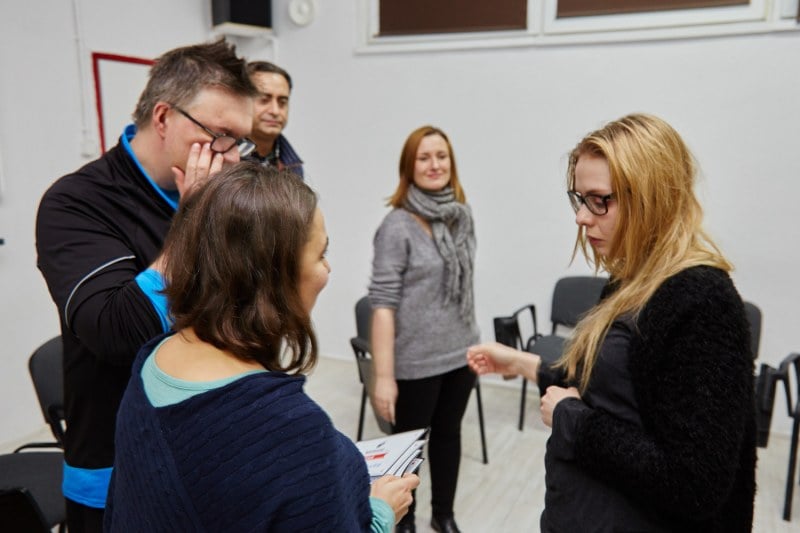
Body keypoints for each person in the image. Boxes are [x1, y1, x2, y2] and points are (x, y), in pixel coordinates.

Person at [467, 113, 756, 532]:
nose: (582, 217)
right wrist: (522, 364)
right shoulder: (632, 278)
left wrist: (572, 420)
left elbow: (695, 484)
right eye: (579, 199)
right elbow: (611, 388)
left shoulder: (702, 301)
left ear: (653, 197)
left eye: (600, 200)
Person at [104, 163, 419, 532]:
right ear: (274, 275)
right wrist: (381, 514)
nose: (328, 270)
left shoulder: (153, 360)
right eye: (321, 254)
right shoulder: (293, 431)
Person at [35, 39, 257, 532]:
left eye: (240, 142)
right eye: (221, 135)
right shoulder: (76, 202)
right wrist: (194, 222)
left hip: (210, 448)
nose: (231, 158)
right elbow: (116, 332)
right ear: (163, 117)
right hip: (117, 469)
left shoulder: (216, 192)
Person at [369, 125, 479, 533]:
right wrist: (383, 377)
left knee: (449, 436)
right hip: (415, 361)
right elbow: (382, 305)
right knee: (408, 449)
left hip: (461, 354)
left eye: (442, 156)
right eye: (424, 157)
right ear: (409, 167)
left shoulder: (461, 216)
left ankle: (443, 515)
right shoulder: (396, 226)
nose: (435, 165)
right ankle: (404, 522)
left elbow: (463, 287)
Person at [245, 60, 304, 176]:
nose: (275, 111)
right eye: (264, 100)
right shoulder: (223, 158)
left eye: (282, 102)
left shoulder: (292, 165)